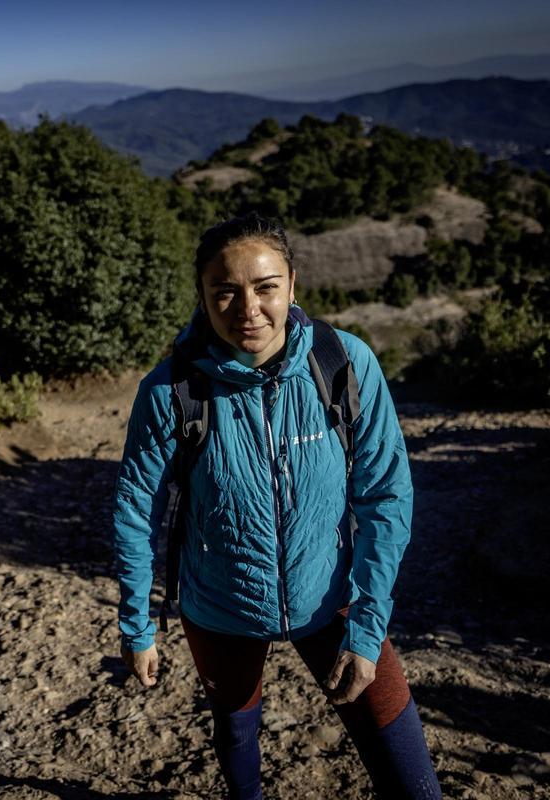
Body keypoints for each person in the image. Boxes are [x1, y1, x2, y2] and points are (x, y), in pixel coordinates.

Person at [112, 213, 440, 799]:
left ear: (293, 284)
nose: (248, 309)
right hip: (220, 605)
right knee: (237, 739)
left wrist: (366, 630)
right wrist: (137, 626)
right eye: (226, 293)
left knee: (411, 776)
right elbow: (135, 510)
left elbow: (385, 494)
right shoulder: (171, 391)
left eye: (265, 288)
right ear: (203, 298)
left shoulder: (343, 365)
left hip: (333, 596)